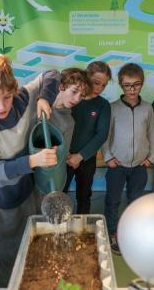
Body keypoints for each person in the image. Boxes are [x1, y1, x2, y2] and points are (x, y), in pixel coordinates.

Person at [0, 52, 59, 287]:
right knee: (8, 256)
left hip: (31, 190)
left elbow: (51, 74)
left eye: (7, 97)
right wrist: (32, 161)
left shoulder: (22, 98)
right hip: (5, 203)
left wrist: (44, 98)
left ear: (14, 89)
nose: (1, 106)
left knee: (36, 244)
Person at [101, 63, 154, 254]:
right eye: (127, 85)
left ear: (142, 84)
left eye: (136, 84)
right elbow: (105, 136)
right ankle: (111, 232)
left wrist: (151, 157)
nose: (132, 89)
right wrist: (108, 157)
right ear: (120, 85)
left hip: (139, 165)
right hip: (117, 165)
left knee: (135, 200)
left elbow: (151, 133)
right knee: (113, 200)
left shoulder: (148, 108)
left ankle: (131, 233)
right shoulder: (112, 108)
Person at [63, 61, 112, 214]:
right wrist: (65, 154)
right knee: (59, 194)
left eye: (104, 85)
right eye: (96, 83)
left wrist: (80, 156)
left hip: (86, 159)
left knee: (84, 196)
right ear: (86, 76)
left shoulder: (103, 105)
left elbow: (101, 135)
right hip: (63, 156)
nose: (99, 88)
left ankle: (82, 230)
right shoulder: (71, 99)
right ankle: (58, 228)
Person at [49, 67, 91, 153]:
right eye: (74, 91)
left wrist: (59, 151)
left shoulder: (69, 122)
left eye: (81, 96)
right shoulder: (38, 102)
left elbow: (63, 154)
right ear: (62, 86)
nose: (76, 99)